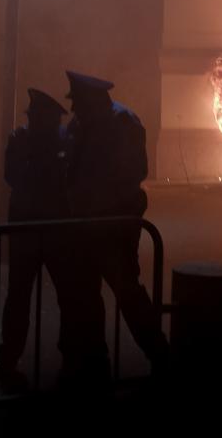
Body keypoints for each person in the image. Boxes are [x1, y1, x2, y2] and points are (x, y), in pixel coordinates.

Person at [64, 70, 169, 376]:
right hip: (85, 223)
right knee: (87, 295)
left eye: (78, 101)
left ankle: (160, 355)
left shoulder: (122, 122)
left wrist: (103, 202)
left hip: (114, 225)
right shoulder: (81, 125)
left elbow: (134, 171)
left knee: (127, 293)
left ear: (95, 99)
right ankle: (96, 361)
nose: (73, 108)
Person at [0, 88, 70, 393]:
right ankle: (10, 356)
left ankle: (67, 353)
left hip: (51, 228)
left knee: (62, 293)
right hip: (35, 226)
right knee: (21, 294)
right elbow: (13, 176)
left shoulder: (63, 141)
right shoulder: (22, 141)